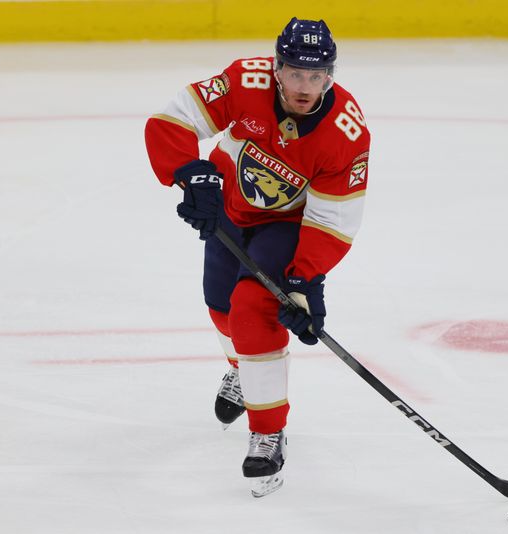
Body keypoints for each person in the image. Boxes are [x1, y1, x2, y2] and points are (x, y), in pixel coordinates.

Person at [144, 17, 370, 497]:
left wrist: (305, 283)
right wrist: (192, 175)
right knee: (219, 307)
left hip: (284, 225)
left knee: (251, 310)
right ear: (276, 67)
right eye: (294, 73)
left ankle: (268, 432)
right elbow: (173, 118)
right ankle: (244, 371)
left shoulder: (345, 133)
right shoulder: (245, 80)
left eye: (316, 76)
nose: (304, 87)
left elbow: (333, 219)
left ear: (330, 74)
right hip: (229, 208)